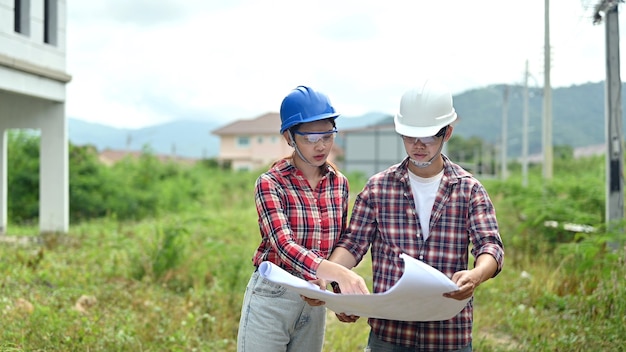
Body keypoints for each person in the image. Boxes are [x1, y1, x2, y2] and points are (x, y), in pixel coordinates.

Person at [327, 79, 505, 351]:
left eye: (428, 136)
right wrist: (337, 284)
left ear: (447, 133)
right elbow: (352, 244)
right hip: (390, 334)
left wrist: (477, 274)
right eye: (410, 136)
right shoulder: (378, 188)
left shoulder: (469, 190)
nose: (418, 145)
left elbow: (490, 245)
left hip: (448, 334)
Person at [237, 85, 369, 352]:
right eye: (309, 138)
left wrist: (338, 294)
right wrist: (339, 274)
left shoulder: (338, 184)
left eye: (327, 136)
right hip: (273, 296)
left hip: (314, 299)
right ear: (289, 136)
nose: (320, 146)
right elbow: (283, 244)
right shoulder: (271, 183)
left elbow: (336, 245)